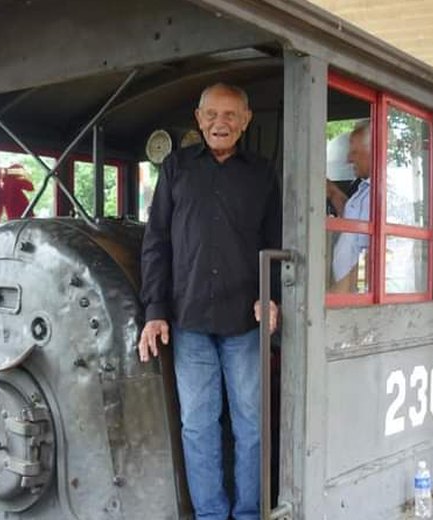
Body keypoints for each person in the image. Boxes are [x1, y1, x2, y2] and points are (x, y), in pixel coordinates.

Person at [138, 83, 281, 520]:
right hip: (189, 321)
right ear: (199, 119)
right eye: (213, 115)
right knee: (198, 427)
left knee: (251, 428)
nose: (221, 123)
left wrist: (271, 296)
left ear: (246, 120)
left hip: (245, 321)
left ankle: (250, 513)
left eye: (231, 115)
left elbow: (276, 243)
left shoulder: (262, 173)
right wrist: (155, 312)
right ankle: (211, 516)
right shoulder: (176, 168)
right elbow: (156, 243)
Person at [327, 120, 372, 293]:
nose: (348, 158)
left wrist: (333, 300)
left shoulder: (380, 196)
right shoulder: (364, 188)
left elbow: (360, 260)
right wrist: (332, 192)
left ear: (374, 150)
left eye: (354, 152)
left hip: (353, 298)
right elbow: (353, 221)